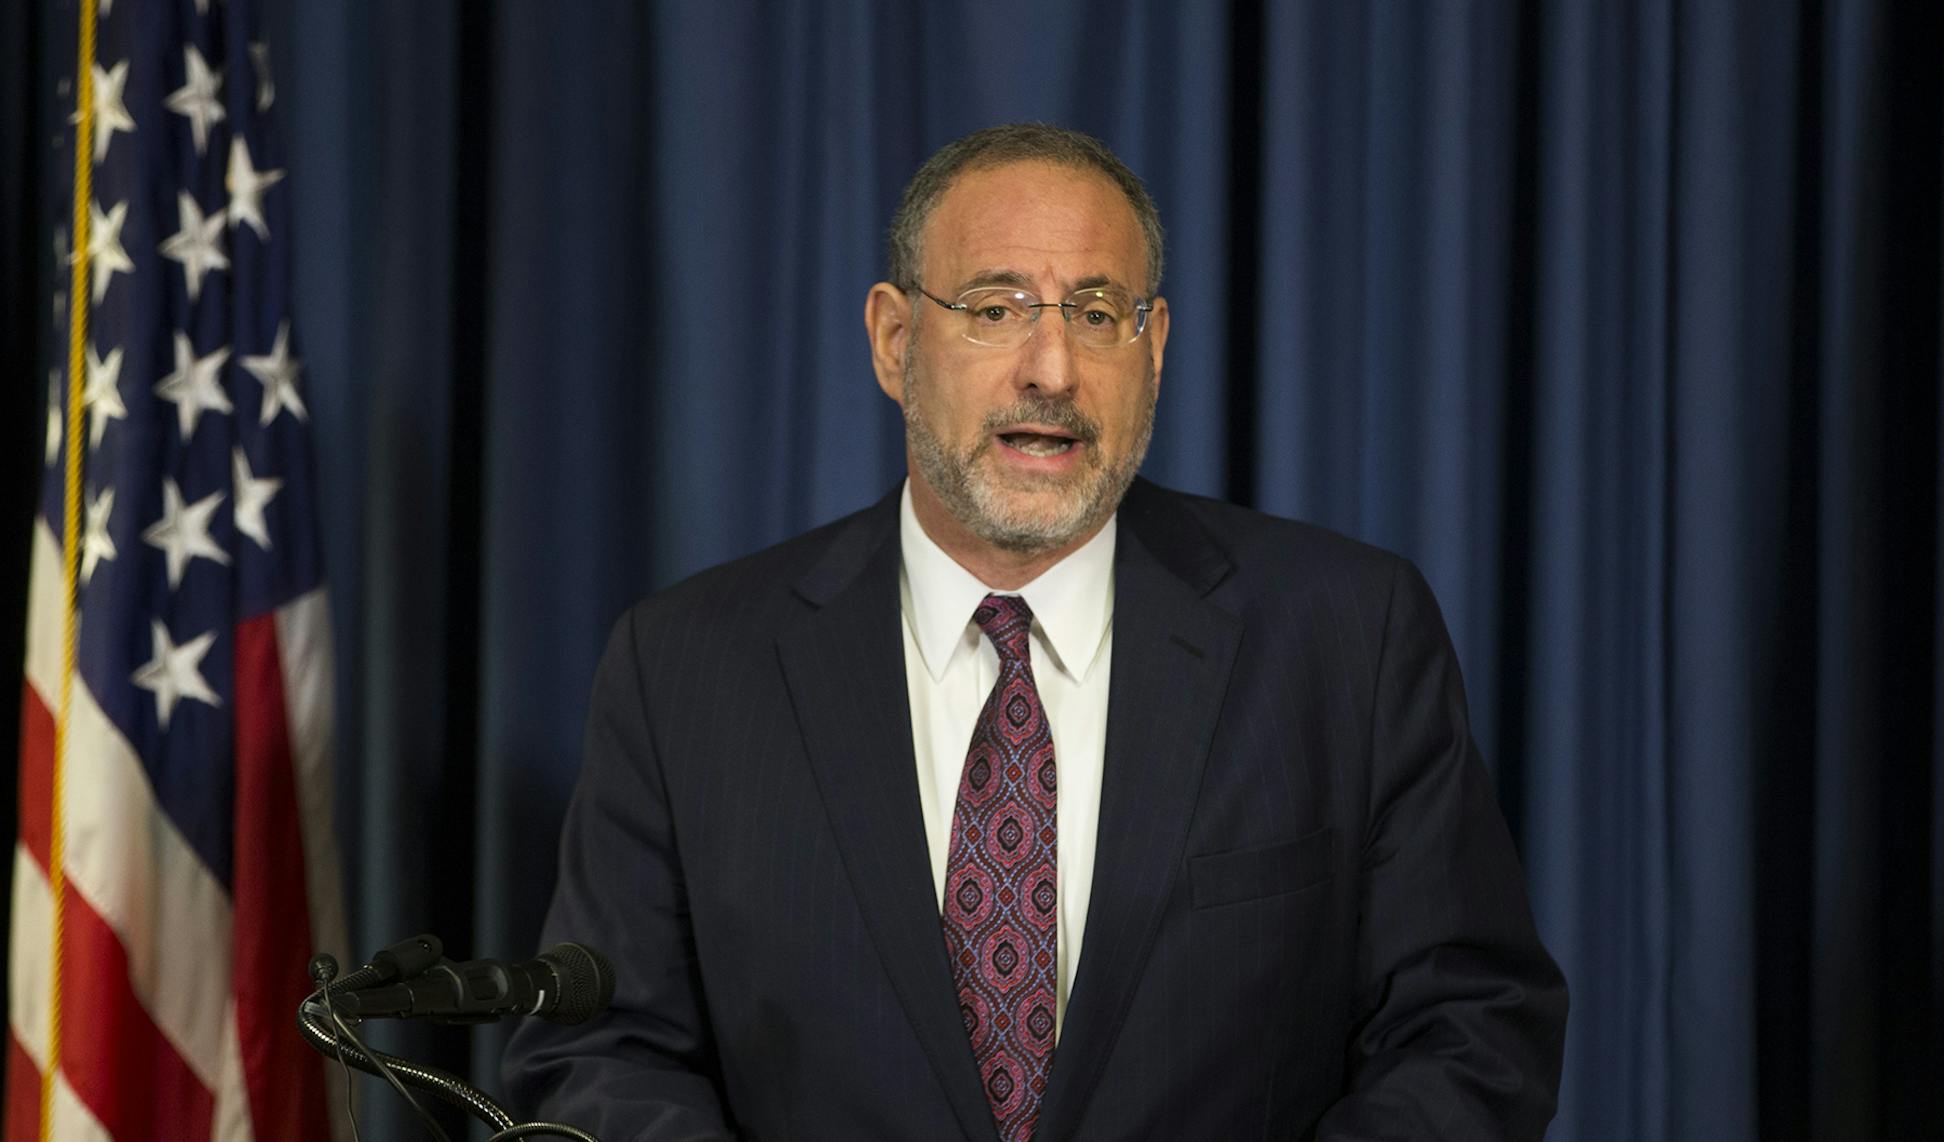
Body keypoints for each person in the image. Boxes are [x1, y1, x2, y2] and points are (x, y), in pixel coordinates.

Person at [502, 123, 1566, 1141]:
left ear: (1155, 347)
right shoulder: (686, 666)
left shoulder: (1347, 637)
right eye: (996, 308)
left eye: (1099, 314)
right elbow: (602, 1051)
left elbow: (1468, 1024)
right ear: (892, 337)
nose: (1051, 370)